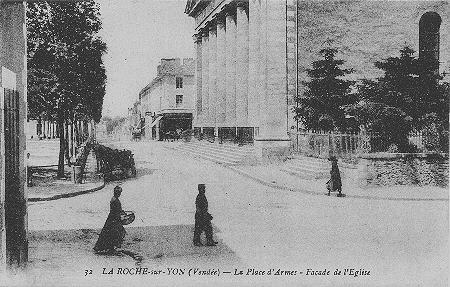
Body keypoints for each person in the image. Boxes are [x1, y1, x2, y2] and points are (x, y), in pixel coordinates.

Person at [94, 185, 126, 254]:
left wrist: (121, 211)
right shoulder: (115, 200)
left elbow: (117, 209)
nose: (120, 194)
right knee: (116, 232)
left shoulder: (114, 199)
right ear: (117, 193)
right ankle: (112, 247)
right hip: (114, 218)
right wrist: (120, 214)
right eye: (119, 193)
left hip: (112, 218)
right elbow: (115, 210)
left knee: (109, 233)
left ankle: (109, 247)